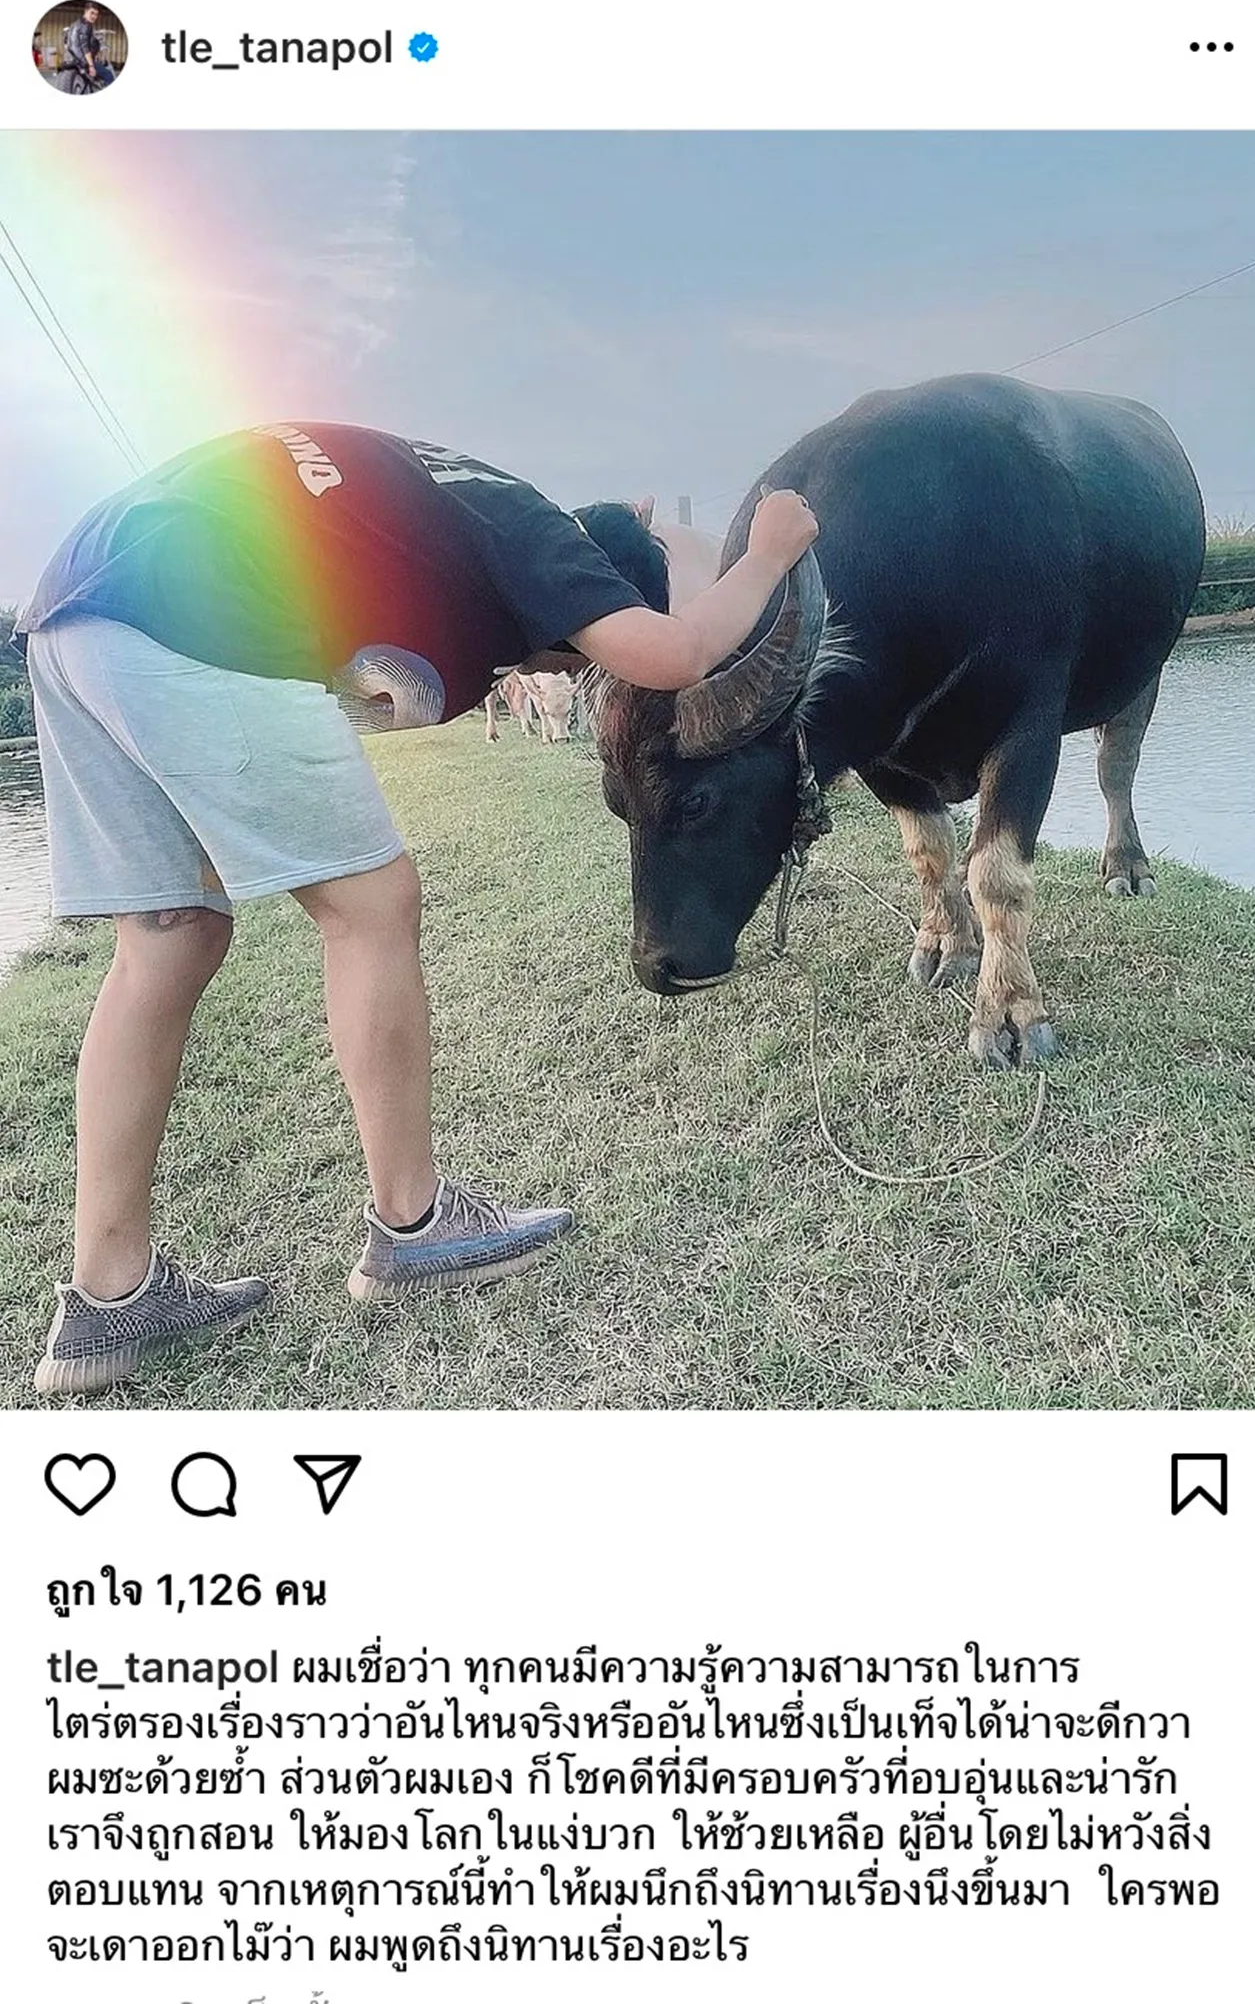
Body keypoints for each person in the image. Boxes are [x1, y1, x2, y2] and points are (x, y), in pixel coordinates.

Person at [14, 422, 817, 1395]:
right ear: (590, 595)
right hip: (195, 607)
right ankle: (415, 1223)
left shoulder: (451, 533)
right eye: (580, 652)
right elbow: (674, 653)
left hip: (79, 611)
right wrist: (769, 550)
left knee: (166, 942)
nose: (568, 673)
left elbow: (362, 664)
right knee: (372, 903)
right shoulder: (541, 532)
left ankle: (109, 1295)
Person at [58, 5, 111, 92]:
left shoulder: (74, 24)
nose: (94, 16)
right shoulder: (86, 25)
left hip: (73, 59)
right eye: (92, 13)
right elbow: (85, 47)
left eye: (96, 14)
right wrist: (91, 65)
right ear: (85, 11)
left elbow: (70, 43)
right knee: (108, 74)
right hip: (83, 61)